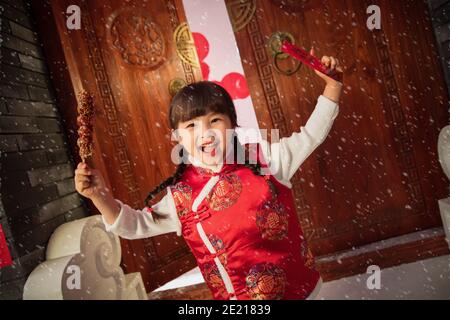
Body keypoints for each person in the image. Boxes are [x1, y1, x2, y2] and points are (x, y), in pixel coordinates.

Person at [75, 50, 343, 300]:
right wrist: (99, 196)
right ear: (178, 137)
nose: (205, 133)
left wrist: (332, 87)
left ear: (232, 125)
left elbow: (310, 136)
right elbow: (134, 226)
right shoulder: (181, 197)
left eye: (215, 120)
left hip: (299, 293)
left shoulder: (266, 161)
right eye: (191, 125)